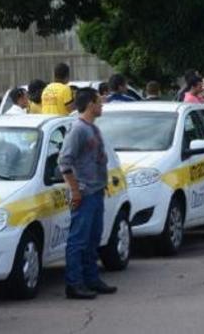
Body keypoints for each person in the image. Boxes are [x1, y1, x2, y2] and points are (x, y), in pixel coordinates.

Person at [58, 87, 117, 299]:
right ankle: (74, 284)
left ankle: (91, 279)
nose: (102, 105)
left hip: (96, 191)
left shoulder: (93, 128)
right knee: (78, 240)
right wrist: (75, 190)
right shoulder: (78, 130)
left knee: (93, 239)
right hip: (84, 193)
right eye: (99, 102)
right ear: (91, 104)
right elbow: (64, 162)